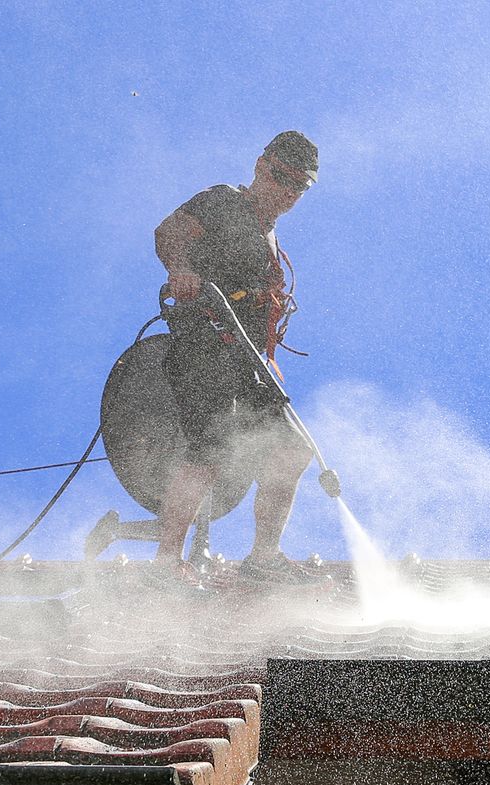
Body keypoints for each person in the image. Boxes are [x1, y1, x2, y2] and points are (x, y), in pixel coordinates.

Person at [152, 131, 319, 578]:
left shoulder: (270, 238)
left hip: (248, 362)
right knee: (209, 448)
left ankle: (263, 558)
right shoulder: (224, 201)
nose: (286, 191)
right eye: (281, 176)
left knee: (291, 450)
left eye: (298, 186)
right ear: (261, 164)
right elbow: (170, 232)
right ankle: (166, 565)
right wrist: (181, 269)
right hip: (204, 345)